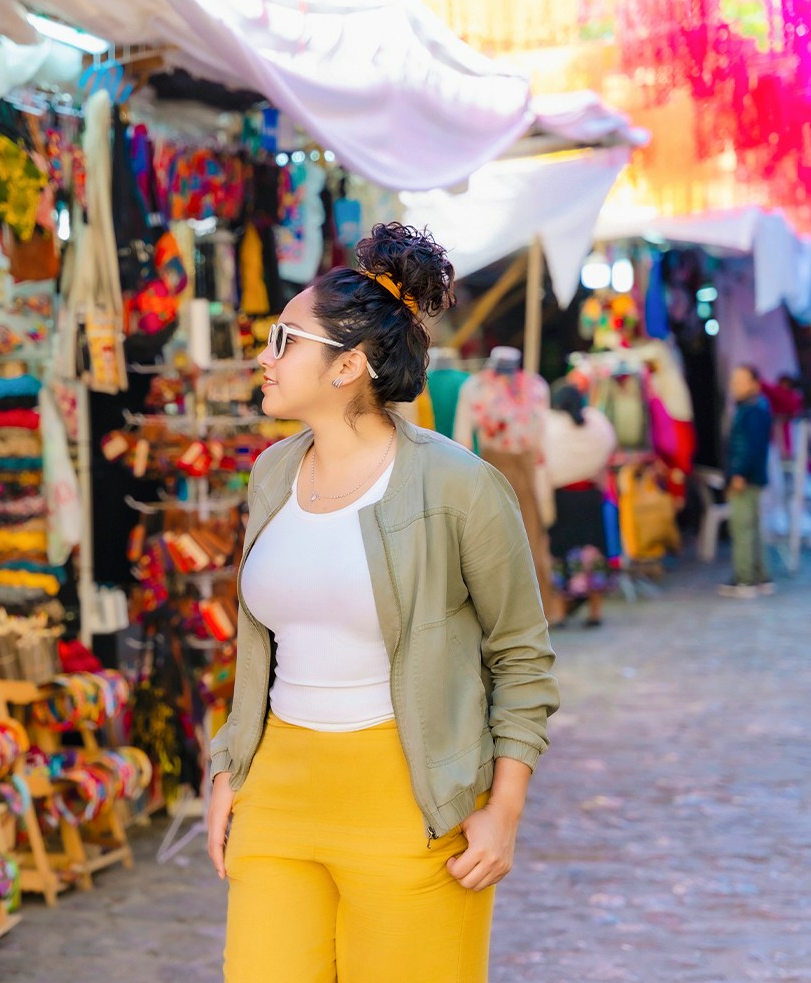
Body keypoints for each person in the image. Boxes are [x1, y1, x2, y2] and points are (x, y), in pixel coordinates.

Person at [205, 222, 559, 983]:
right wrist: (230, 768)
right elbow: (263, 645)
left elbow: (522, 658)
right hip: (277, 798)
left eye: (284, 340)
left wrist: (504, 809)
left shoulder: (459, 488)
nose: (263, 358)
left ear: (350, 365)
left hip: (414, 808)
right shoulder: (271, 474)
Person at [543, 380, 620, 627]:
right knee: (592, 549)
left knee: (562, 551)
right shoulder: (597, 423)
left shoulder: (549, 426)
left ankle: (562, 612)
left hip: (563, 499)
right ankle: (595, 612)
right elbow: (609, 448)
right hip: (590, 498)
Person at [721, 364, 775, 598]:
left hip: (746, 478)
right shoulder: (753, 408)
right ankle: (759, 576)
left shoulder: (752, 410)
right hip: (751, 476)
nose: (735, 386)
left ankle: (745, 579)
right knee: (751, 528)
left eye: (740, 381)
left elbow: (750, 447)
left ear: (754, 384)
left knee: (742, 529)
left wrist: (739, 474)